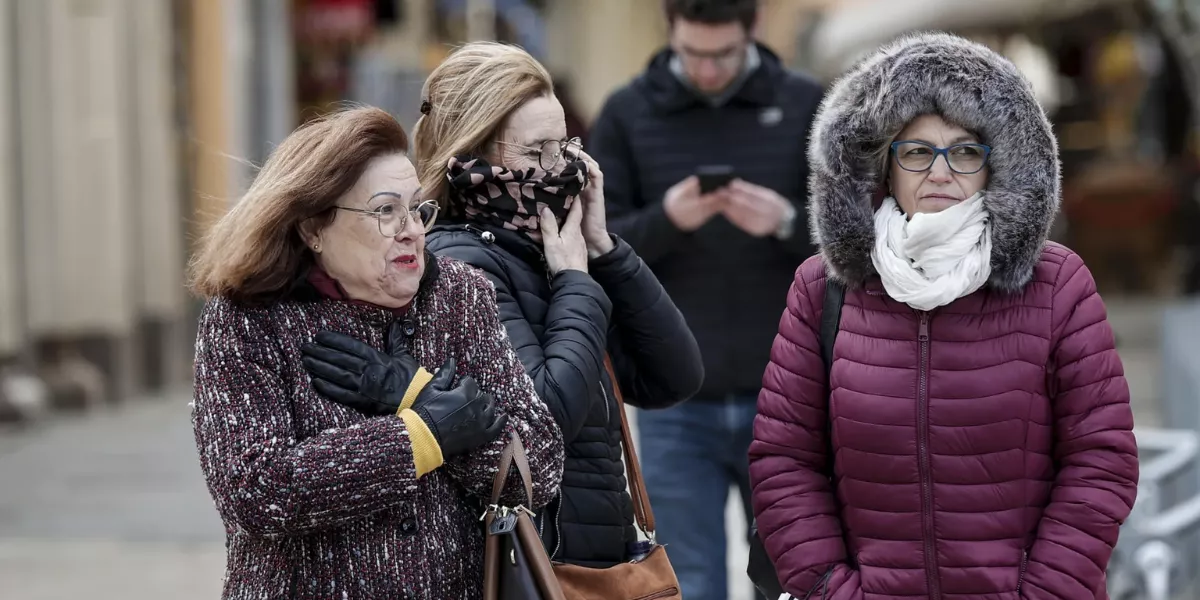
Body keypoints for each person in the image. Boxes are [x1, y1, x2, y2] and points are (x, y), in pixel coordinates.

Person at [750, 33, 1139, 599]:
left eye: (963, 151)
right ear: (884, 165)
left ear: (996, 164)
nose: (939, 172)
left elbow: (1100, 460)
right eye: (916, 151)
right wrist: (833, 591)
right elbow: (784, 458)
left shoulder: (1057, 283)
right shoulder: (825, 287)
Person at [188, 106, 564, 600]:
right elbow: (255, 493)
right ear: (312, 228)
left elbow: (542, 464)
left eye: (416, 209)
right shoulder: (246, 317)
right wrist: (420, 438)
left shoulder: (459, 296)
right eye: (385, 210)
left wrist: (419, 394)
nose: (411, 229)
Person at [416, 42, 705, 568]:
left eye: (565, 148)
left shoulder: (547, 251)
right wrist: (574, 280)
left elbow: (674, 376)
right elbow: (545, 415)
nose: (558, 172)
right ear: (473, 154)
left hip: (593, 560)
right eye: (536, 153)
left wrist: (606, 251)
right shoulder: (460, 266)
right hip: (537, 563)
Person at [587, 0, 823, 597]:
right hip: (673, 404)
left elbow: (859, 239)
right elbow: (593, 244)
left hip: (789, 395)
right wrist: (667, 220)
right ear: (670, 34)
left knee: (796, 579)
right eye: (693, 53)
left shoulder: (808, 105)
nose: (708, 69)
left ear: (753, 30)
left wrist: (788, 220)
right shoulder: (626, 113)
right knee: (688, 584)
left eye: (722, 54)